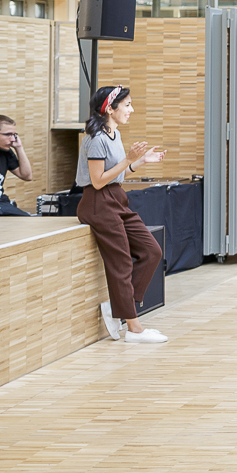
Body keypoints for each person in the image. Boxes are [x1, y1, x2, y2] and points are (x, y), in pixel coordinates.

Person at [75, 86, 167, 344]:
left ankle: (118, 307)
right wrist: (128, 159)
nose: (131, 110)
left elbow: (117, 174)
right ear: (109, 108)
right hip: (98, 203)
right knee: (122, 263)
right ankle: (134, 328)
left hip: (116, 199)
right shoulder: (95, 138)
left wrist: (140, 162)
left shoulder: (113, 134)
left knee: (152, 251)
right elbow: (97, 181)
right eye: (127, 105)